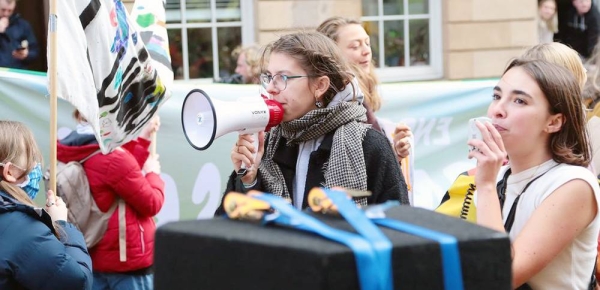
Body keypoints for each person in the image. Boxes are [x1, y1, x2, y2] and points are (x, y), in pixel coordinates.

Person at [214, 31, 409, 215]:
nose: (271, 88)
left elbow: (399, 226)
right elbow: (230, 228)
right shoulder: (271, 142)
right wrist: (248, 180)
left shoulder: (370, 144)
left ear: (320, 86)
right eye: (268, 77)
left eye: (282, 77)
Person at [471, 58, 599, 289]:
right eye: (497, 96)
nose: (498, 110)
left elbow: (500, 276)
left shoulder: (574, 184)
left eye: (519, 101)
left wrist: (486, 186)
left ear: (554, 122)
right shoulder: (500, 177)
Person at [57, 111, 165, 290]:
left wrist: (144, 138)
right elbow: (152, 203)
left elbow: (121, 178)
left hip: (94, 253)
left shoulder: (73, 147)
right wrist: (153, 173)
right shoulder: (113, 156)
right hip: (126, 260)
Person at [316, 17, 415, 201]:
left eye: (367, 43)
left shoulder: (361, 92)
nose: (366, 51)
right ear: (331, 54)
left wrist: (394, 155)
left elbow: (370, 165)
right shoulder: (343, 99)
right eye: (355, 46)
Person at [0, 120, 92, 289]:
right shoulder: (23, 230)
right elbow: (78, 282)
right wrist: (62, 226)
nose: (35, 166)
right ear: (9, 172)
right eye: (30, 158)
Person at [0, 0, 39, 69]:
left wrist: (26, 55)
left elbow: (35, 51)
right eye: (3, 10)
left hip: (18, 71)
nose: (6, 14)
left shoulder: (23, 25)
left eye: (10, 11)